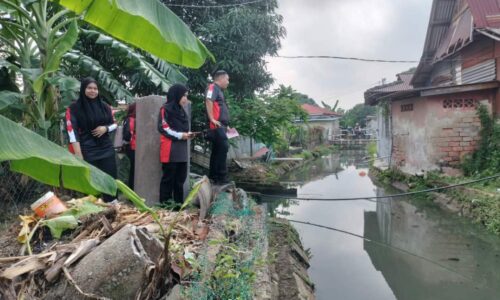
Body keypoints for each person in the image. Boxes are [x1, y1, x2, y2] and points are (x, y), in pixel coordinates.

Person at [66, 77, 118, 202]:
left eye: (95, 88)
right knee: (90, 183)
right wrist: (78, 154)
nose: (93, 91)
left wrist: (105, 128)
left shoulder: (105, 106)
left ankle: (112, 206)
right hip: (87, 150)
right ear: (83, 89)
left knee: (110, 179)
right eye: (89, 88)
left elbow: (115, 124)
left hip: (106, 148)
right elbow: (71, 132)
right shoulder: (73, 108)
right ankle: (92, 212)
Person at [158, 84, 194, 204]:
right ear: (176, 94)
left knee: (180, 180)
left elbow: (183, 128)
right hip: (170, 149)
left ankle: (178, 206)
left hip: (181, 149)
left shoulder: (182, 111)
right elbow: (163, 128)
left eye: (186, 96)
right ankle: (165, 206)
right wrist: (181, 135)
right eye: (183, 95)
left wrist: (188, 134)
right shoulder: (165, 109)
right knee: (168, 179)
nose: (185, 98)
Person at [205, 70, 230, 184]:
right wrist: (211, 118)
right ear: (221, 78)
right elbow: (208, 100)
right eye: (227, 79)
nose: (228, 82)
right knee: (223, 147)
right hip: (215, 125)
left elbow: (219, 109)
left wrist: (226, 125)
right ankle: (221, 178)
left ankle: (214, 177)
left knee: (217, 150)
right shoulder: (212, 87)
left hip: (221, 125)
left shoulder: (219, 91)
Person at [122, 103, 136, 190]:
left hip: (129, 147)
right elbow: (127, 135)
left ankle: (132, 190)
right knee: (135, 170)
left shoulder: (127, 118)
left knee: (133, 170)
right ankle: (133, 189)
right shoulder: (132, 119)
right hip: (133, 147)